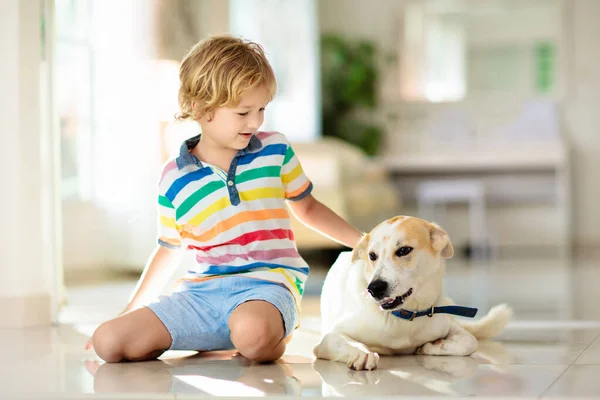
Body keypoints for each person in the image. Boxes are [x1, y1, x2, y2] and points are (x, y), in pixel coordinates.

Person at [86, 35, 363, 363]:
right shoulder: (174, 177)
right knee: (109, 341)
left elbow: (309, 207)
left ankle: (264, 336)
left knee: (254, 335)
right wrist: (130, 309)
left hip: (268, 286)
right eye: (244, 112)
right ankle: (217, 337)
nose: (256, 121)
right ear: (200, 109)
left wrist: (365, 243)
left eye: (261, 109)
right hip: (200, 295)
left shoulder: (275, 150)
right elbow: (168, 248)